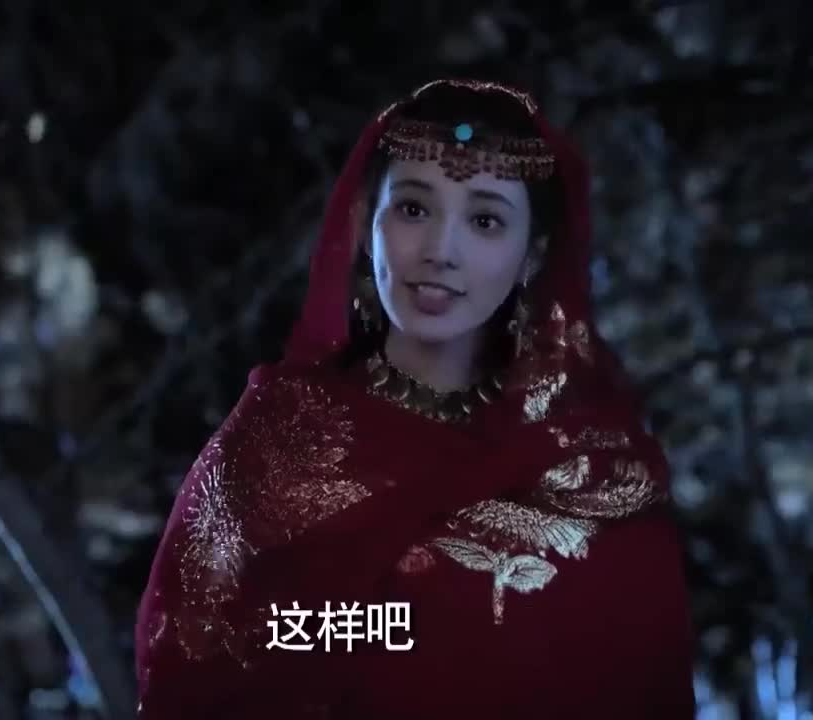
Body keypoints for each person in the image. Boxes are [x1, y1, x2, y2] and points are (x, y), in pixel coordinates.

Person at [133, 78, 695, 719]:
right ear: (365, 224)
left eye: (485, 221)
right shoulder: (280, 438)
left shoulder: (592, 464)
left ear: (532, 257)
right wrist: (394, 627)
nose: (439, 251)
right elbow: (200, 650)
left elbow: (639, 676)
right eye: (413, 209)